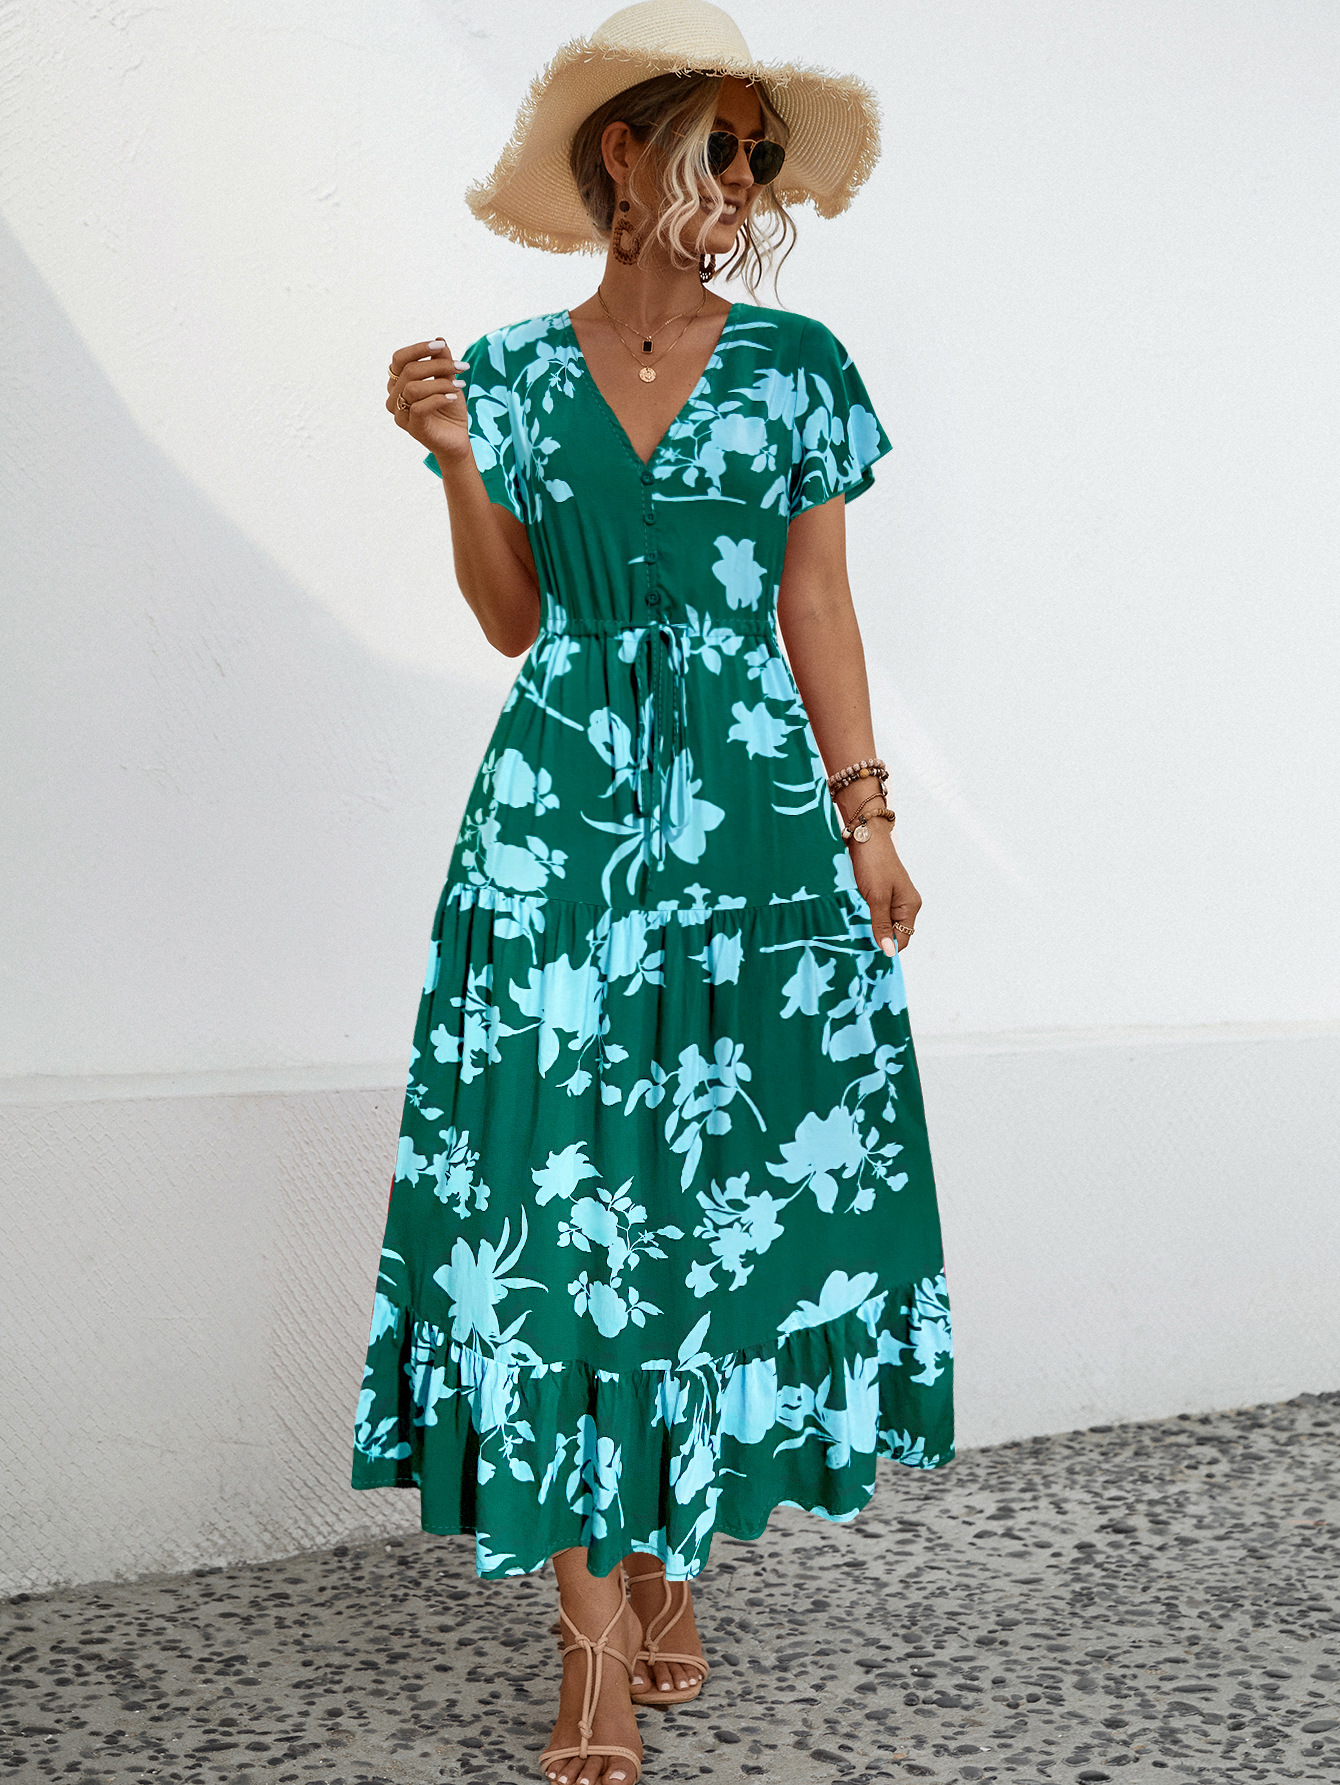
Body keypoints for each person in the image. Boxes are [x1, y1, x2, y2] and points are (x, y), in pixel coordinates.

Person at [354, 4, 955, 1780]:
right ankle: (591, 1657)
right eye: (726, 145)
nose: (751, 182)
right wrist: (455, 459)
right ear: (626, 149)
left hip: (750, 831)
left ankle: (671, 1553)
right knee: (559, 1210)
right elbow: (513, 617)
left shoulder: (796, 365)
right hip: (557, 829)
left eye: (765, 156)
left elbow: (817, 602)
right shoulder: (512, 371)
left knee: (712, 1202)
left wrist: (866, 816)